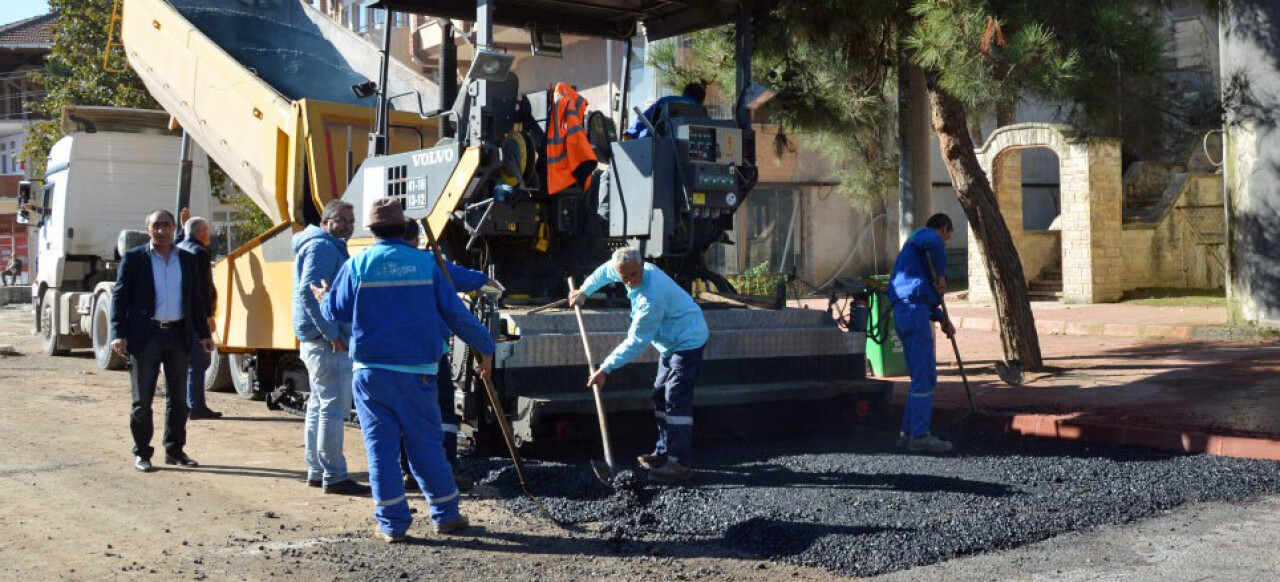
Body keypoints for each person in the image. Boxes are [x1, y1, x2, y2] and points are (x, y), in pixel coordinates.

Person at [316, 197, 495, 543]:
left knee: (380, 450)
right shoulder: (425, 264)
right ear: (403, 228)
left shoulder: (357, 265)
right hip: (419, 373)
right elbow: (457, 315)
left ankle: (393, 525)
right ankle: (445, 515)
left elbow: (334, 312)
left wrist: (324, 295)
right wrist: (485, 347)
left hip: (370, 374)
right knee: (425, 446)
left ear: (373, 230)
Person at [570, 247, 708, 482]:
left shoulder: (651, 298)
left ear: (642, 266)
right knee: (660, 394)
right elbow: (604, 273)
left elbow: (636, 341)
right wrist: (584, 291)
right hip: (670, 343)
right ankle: (663, 452)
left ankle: (679, 462)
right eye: (624, 277)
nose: (630, 282)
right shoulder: (624, 269)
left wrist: (605, 368)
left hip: (687, 341)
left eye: (633, 275)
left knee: (675, 398)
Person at [110, 209, 215, 472]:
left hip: (178, 336)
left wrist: (204, 334)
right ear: (148, 230)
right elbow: (119, 298)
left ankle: (174, 450)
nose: (161, 230)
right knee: (142, 400)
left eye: (166, 225)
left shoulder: (187, 260)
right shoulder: (134, 259)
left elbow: (196, 301)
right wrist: (117, 334)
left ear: (173, 229)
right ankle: (142, 453)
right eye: (156, 226)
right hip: (145, 337)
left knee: (179, 399)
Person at [397, 220, 494, 493]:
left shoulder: (369, 263)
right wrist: (485, 279)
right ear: (417, 239)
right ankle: (444, 470)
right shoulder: (428, 263)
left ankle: (407, 472)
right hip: (429, 353)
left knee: (404, 418)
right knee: (442, 415)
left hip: (388, 359)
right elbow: (457, 297)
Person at [291, 200, 370, 496]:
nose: (348, 227)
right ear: (325, 222)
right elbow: (309, 291)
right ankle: (334, 475)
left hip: (316, 340)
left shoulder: (320, 243)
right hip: (326, 343)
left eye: (352, 221)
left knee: (319, 405)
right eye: (342, 221)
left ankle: (317, 469)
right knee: (333, 409)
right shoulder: (323, 247)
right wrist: (333, 332)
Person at [888, 213, 957, 454]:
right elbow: (935, 243)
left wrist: (942, 319)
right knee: (926, 377)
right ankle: (919, 435)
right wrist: (941, 277)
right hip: (913, 312)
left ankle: (907, 433)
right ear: (944, 228)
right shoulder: (926, 235)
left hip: (910, 311)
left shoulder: (915, 258)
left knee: (919, 376)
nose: (944, 243)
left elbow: (925, 299)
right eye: (947, 237)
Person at [178, 215, 222, 420]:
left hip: (179, 314)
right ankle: (196, 406)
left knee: (186, 362)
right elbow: (202, 289)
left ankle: (189, 404)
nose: (209, 235)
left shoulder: (179, 248)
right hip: (197, 315)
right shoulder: (199, 253)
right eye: (207, 231)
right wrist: (208, 315)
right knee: (200, 361)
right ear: (201, 233)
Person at [622, 81, 706, 139]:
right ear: (701, 100)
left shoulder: (666, 101)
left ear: (684, 93)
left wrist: (630, 134)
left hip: (652, 144)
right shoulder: (702, 112)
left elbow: (644, 119)